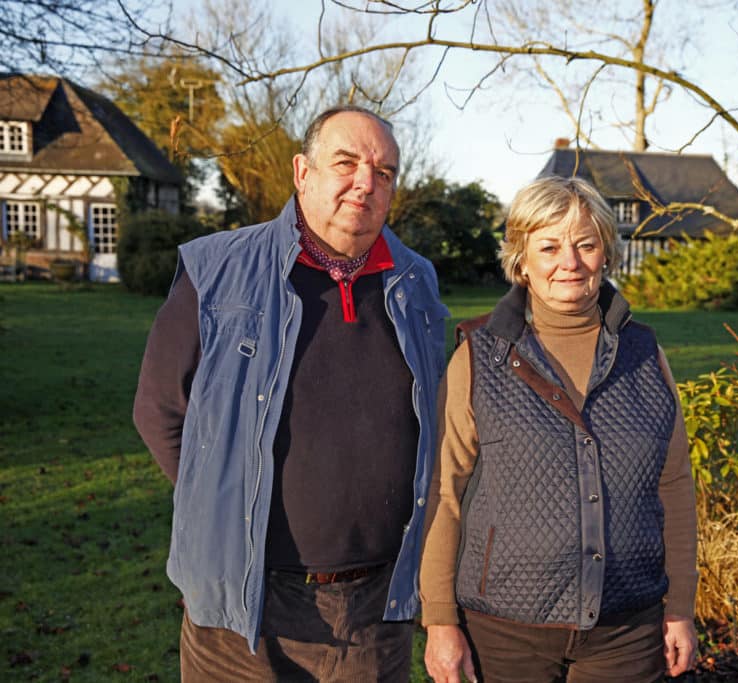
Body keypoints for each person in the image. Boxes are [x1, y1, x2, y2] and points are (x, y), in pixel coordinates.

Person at [133, 105, 449, 682]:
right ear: (302, 172)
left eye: (384, 172)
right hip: (244, 605)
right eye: (346, 163)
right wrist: (226, 511)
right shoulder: (217, 268)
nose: (365, 183)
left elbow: (435, 420)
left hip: (375, 610)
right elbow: (159, 410)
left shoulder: (417, 282)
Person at [419, 176, 700, 683]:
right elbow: (446, 491)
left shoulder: (645, 354)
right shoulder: (478, 356)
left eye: (585, 244)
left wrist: (680, 606)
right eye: (548, 247)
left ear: (606, 255)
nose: (568, 262)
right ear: (521, 261)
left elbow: (674, 485)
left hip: (626, 632)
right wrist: (440, 620)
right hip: (504, 633)